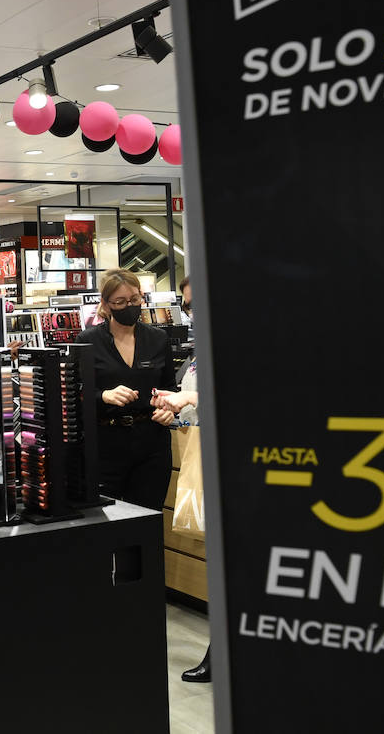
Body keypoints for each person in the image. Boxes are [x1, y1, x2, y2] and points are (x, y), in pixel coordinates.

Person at [76, 269, 178, 509]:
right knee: (104, 520)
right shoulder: (87, 341)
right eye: (120, 302)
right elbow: (75, 394)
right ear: (106, 304)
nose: (129, 306)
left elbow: (169, 388)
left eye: (134, 299)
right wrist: (104, 396)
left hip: (151, 444)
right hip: (105, 444)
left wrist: (169, 409)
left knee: (148, 518)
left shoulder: (157, 339)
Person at [154, 275, 210, 683]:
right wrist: (175, 410)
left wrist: (189, 399)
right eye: (186, 305)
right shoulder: (199, 351)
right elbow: (196, 411)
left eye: (194, 303)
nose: (190, 313)